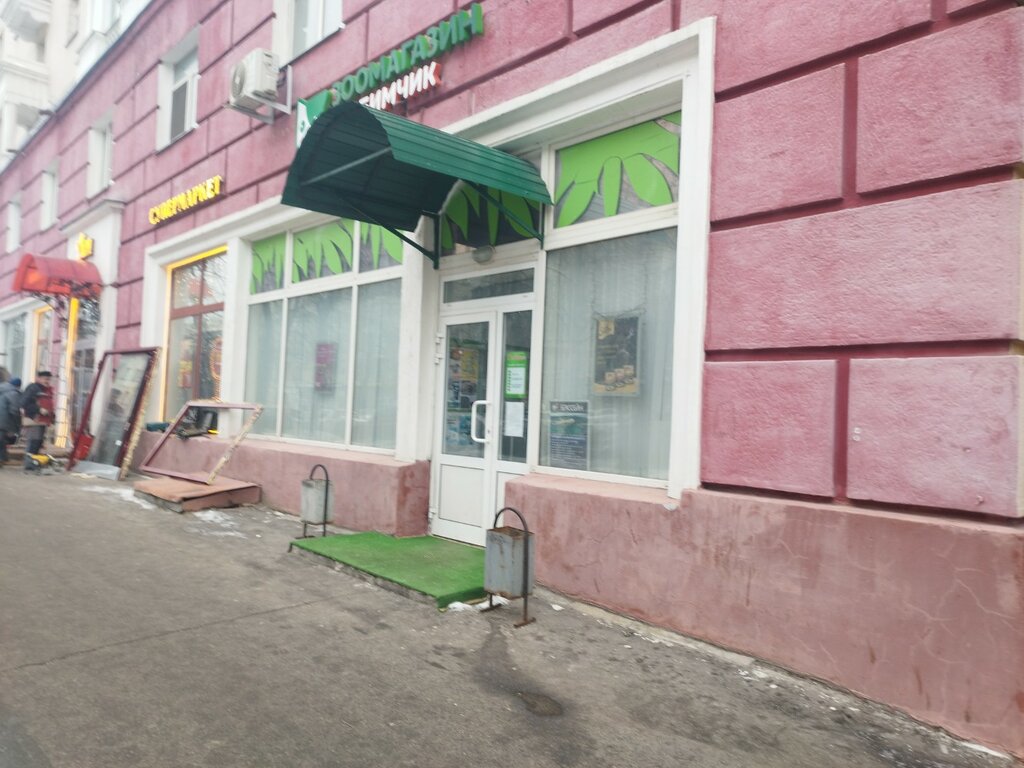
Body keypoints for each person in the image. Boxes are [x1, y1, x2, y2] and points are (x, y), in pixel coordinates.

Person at [20, 370, 54, 468]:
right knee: (33, 442)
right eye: (45, 379)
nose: (47, 381)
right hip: (34, 420)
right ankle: (29, 464)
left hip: (43, 421)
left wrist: (52, 417)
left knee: (38, 443)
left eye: (48, 379)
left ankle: (33, 463)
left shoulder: (47, 390)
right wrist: (39, 409)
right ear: (38, 378)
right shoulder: (33, 388)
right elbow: (24, 403)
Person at [0, 376, 21, 467]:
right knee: (1, 440)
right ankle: (1, 459)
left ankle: (3, 458)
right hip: (4, 421)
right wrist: (17, 425)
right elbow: (14, 410)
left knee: (1, 441)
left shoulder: (2, 389)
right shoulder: (13, 393)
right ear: (18, 386)